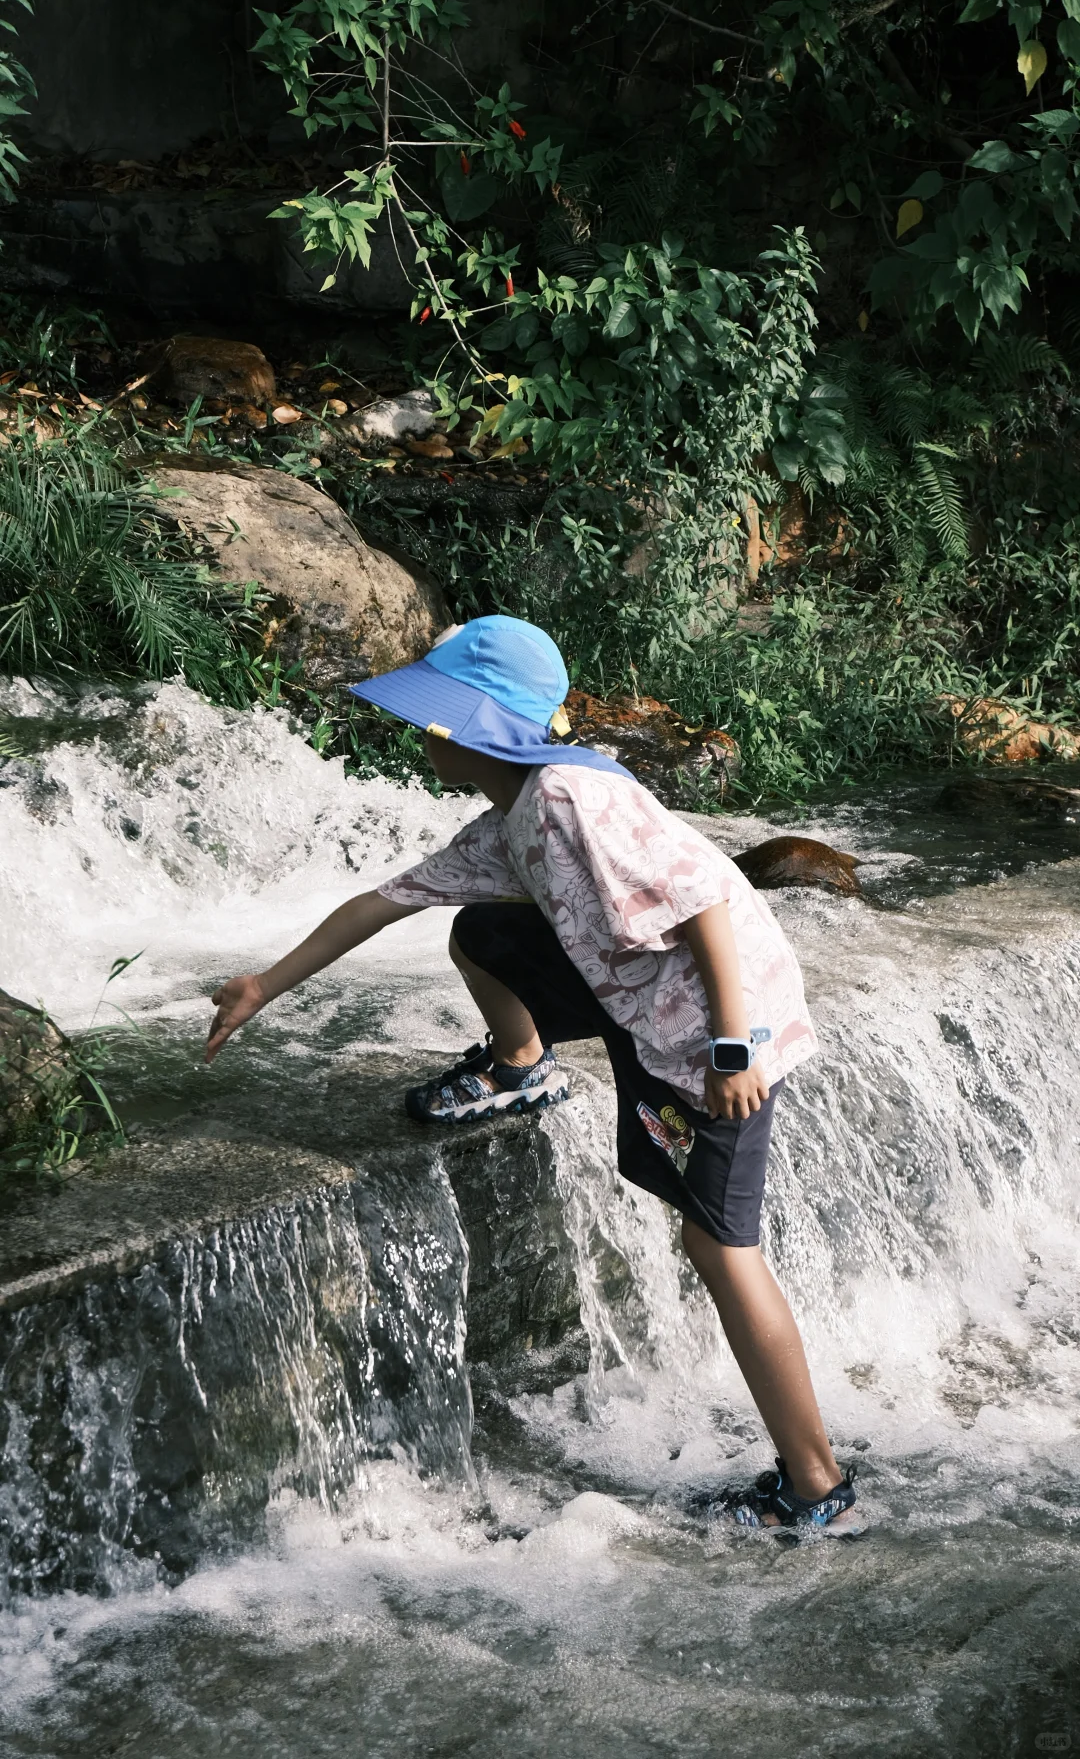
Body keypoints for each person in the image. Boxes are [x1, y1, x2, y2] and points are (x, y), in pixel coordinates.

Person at [206, 615, 856, 1533]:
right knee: (481, 931)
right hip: (646, 1007)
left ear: (477, 725)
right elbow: (380, 903)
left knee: (720, 1249)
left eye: (436, 718)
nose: (422, 734)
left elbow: (707, 901)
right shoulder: (513, 818)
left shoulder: (570, 801)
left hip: (714, 1028)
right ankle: (521, 1064)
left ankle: (815, 1484)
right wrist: (264, 985)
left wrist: (734, 1048)